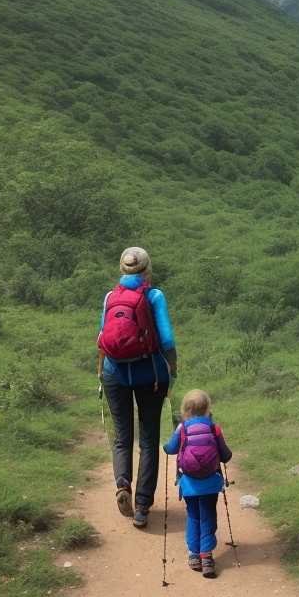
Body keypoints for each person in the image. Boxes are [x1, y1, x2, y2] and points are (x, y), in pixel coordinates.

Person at [98, 246, 177, 528]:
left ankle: (122, 485)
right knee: (148, 438)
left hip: (114, 372)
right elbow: (166, 340)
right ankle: (142, 506)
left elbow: (101, 336)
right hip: (150, 374)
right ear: (147, 269)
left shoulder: (110, 297)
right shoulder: (154, 295)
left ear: (122, 269)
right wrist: (173, 367)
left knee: (122, 435)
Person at [163, 389, 232, 579]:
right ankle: (207, 556)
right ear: (208, 408)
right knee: (208, 516)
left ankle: (194, 555)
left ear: (184, 410)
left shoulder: (182, 428)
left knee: (193, 516)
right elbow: (226, 455)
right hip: (210, 483)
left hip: (190, 484)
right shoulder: (213, 428)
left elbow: (170, 449)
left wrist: (164, 446)